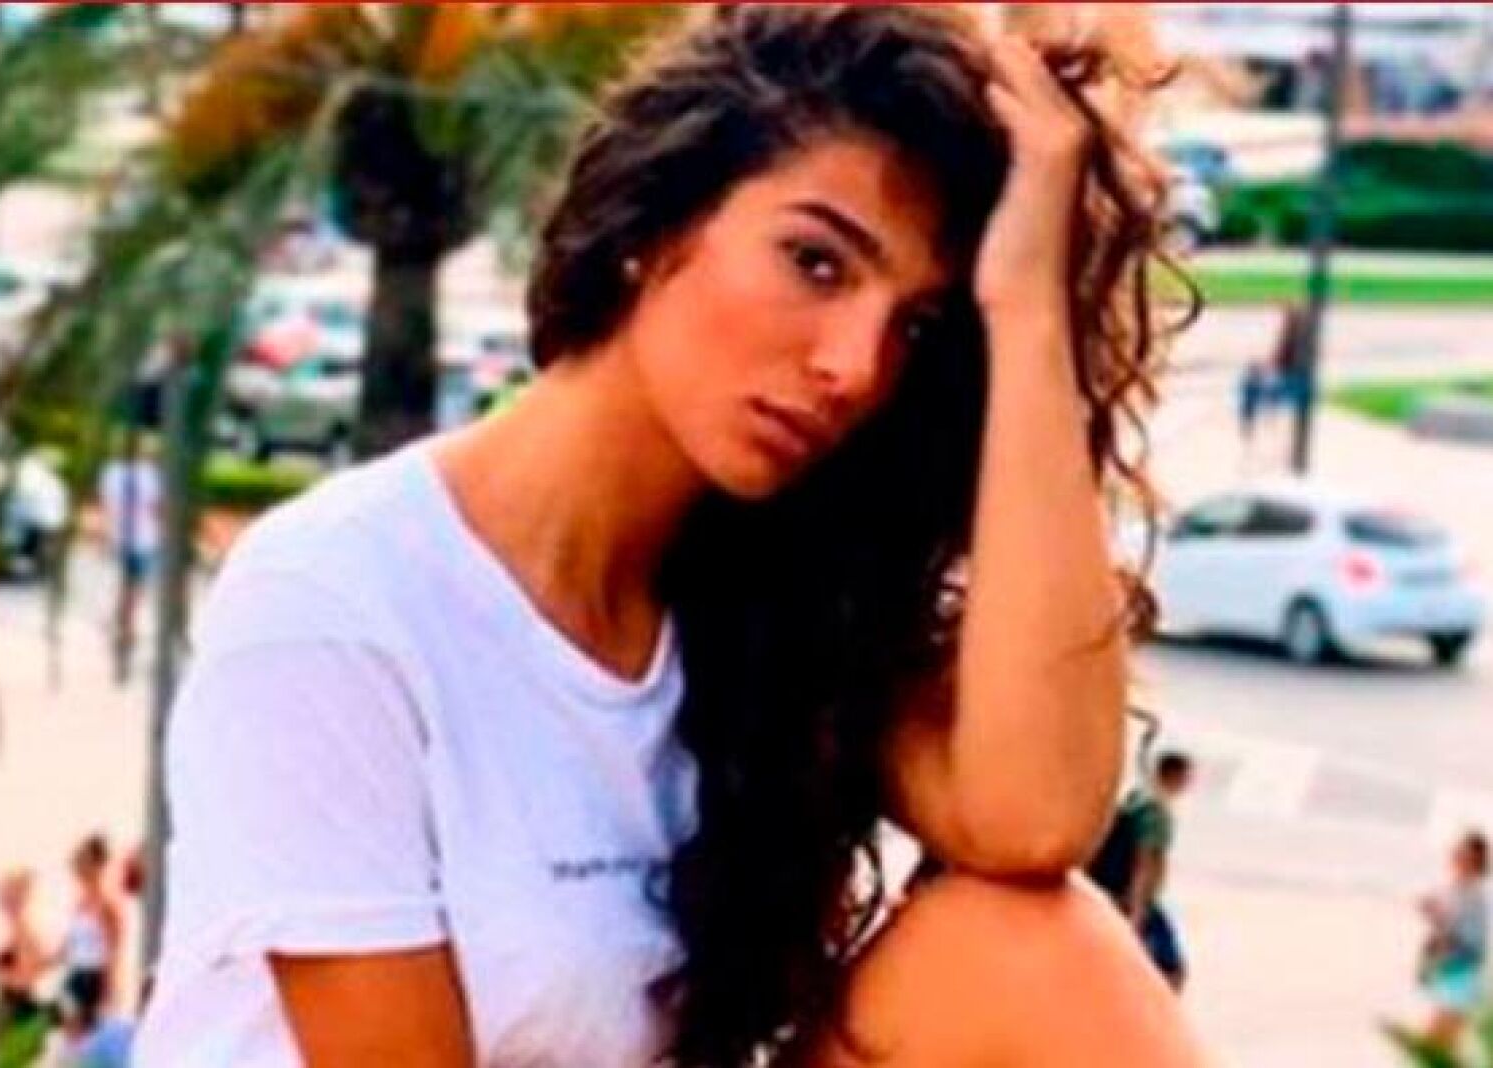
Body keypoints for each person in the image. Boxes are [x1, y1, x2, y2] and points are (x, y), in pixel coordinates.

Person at [142, 8, 1203, 1067]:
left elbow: (1033, 820)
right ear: (653, 223)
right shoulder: (337, 602)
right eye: (816, 263)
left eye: (912, 325)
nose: (855, 366)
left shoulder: (772, 601)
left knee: (1026, 947)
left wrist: (1025, 313)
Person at [1089, 750, 1196, 989]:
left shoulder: (1136, 799)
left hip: (1108, 889)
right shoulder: (1156, 813)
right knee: (1172, 970)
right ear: (1176, 776)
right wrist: (1137, 912)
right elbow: (1145, 862)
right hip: (1132, 898)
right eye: (1188, 777)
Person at [1416, 830, 1489, 1054]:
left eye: (1464, 855)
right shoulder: (1451, 890)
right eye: (1456, 853)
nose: (1456, 858)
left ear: (1476, 863)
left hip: (1461, 977)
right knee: (1441, 1047)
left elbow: (1473, 948)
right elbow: (1440, 935)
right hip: (1447, 974)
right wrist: (1426, 964)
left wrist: (1438, 918)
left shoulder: (1476, 898)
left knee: (1436, 1046)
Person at [98, 444, 163, 683]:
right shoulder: (150, 476)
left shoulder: (111, 473)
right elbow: (157, 508)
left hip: (120, 538)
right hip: (144, 539)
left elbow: (106, 506)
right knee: (135, 587)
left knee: (127, 585)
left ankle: (121, 621)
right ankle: (126, 625)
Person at [0, 869, 51, 1065]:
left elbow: (23, 980)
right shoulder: (16, 929)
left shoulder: (23, 930)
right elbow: (40, 965)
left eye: (4, 892)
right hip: (10, 1011)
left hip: (18, 1013)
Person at [59, 834, 124, 1037]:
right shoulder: (78, 904)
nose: (80, 868)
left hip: (94, 979)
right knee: (70, 1037)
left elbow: (113, 953)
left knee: (87, 1038)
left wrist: (109, 991)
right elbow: (67, 947)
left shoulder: (107, 905)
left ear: (98, 866)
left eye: (85, 861)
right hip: (75, 975)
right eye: (79, 862)